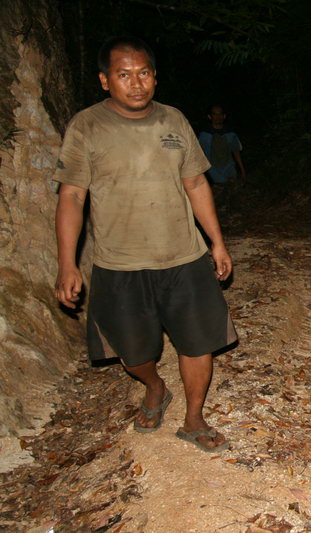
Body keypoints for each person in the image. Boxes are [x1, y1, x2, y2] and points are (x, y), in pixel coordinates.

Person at [53, 36, 237, 453]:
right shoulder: (87, 126)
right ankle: (154, 387)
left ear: (155, 77)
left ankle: (194, 419)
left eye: (144, 73)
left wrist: (217, 243)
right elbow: (72, 196)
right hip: (120, 264)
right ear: (105, 80)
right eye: (124, 75)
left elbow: (196, 183)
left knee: (198, 342)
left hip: (184, 257)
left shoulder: (173, 120)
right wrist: (67, 263)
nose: (136, 84)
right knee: (132, 353)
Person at [197, 105, 246, 193]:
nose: (218, 117)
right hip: (212, 170)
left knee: (234, 190)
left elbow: (236, 152)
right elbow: (199, 155)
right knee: (220, 191)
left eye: (220, 114)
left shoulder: (230, 133)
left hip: (229, 168)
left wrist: (242, 171)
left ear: (224, 116)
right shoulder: (204, 134)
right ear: (210, 116)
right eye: (215, 114)